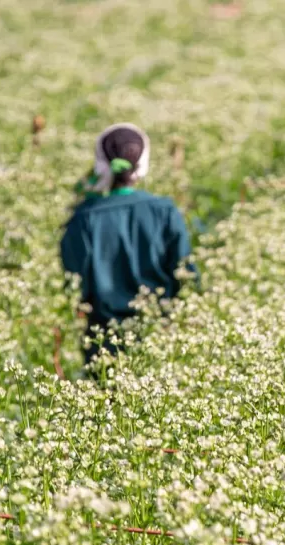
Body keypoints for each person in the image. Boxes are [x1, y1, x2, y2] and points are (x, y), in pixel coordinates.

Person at [61, 123, 192, 366]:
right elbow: (185, 273)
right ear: (142, 166)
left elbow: (74, 283)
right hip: (159, 334)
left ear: (101, 163)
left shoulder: (84, 217)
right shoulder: (164, 211)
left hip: (103, 339)